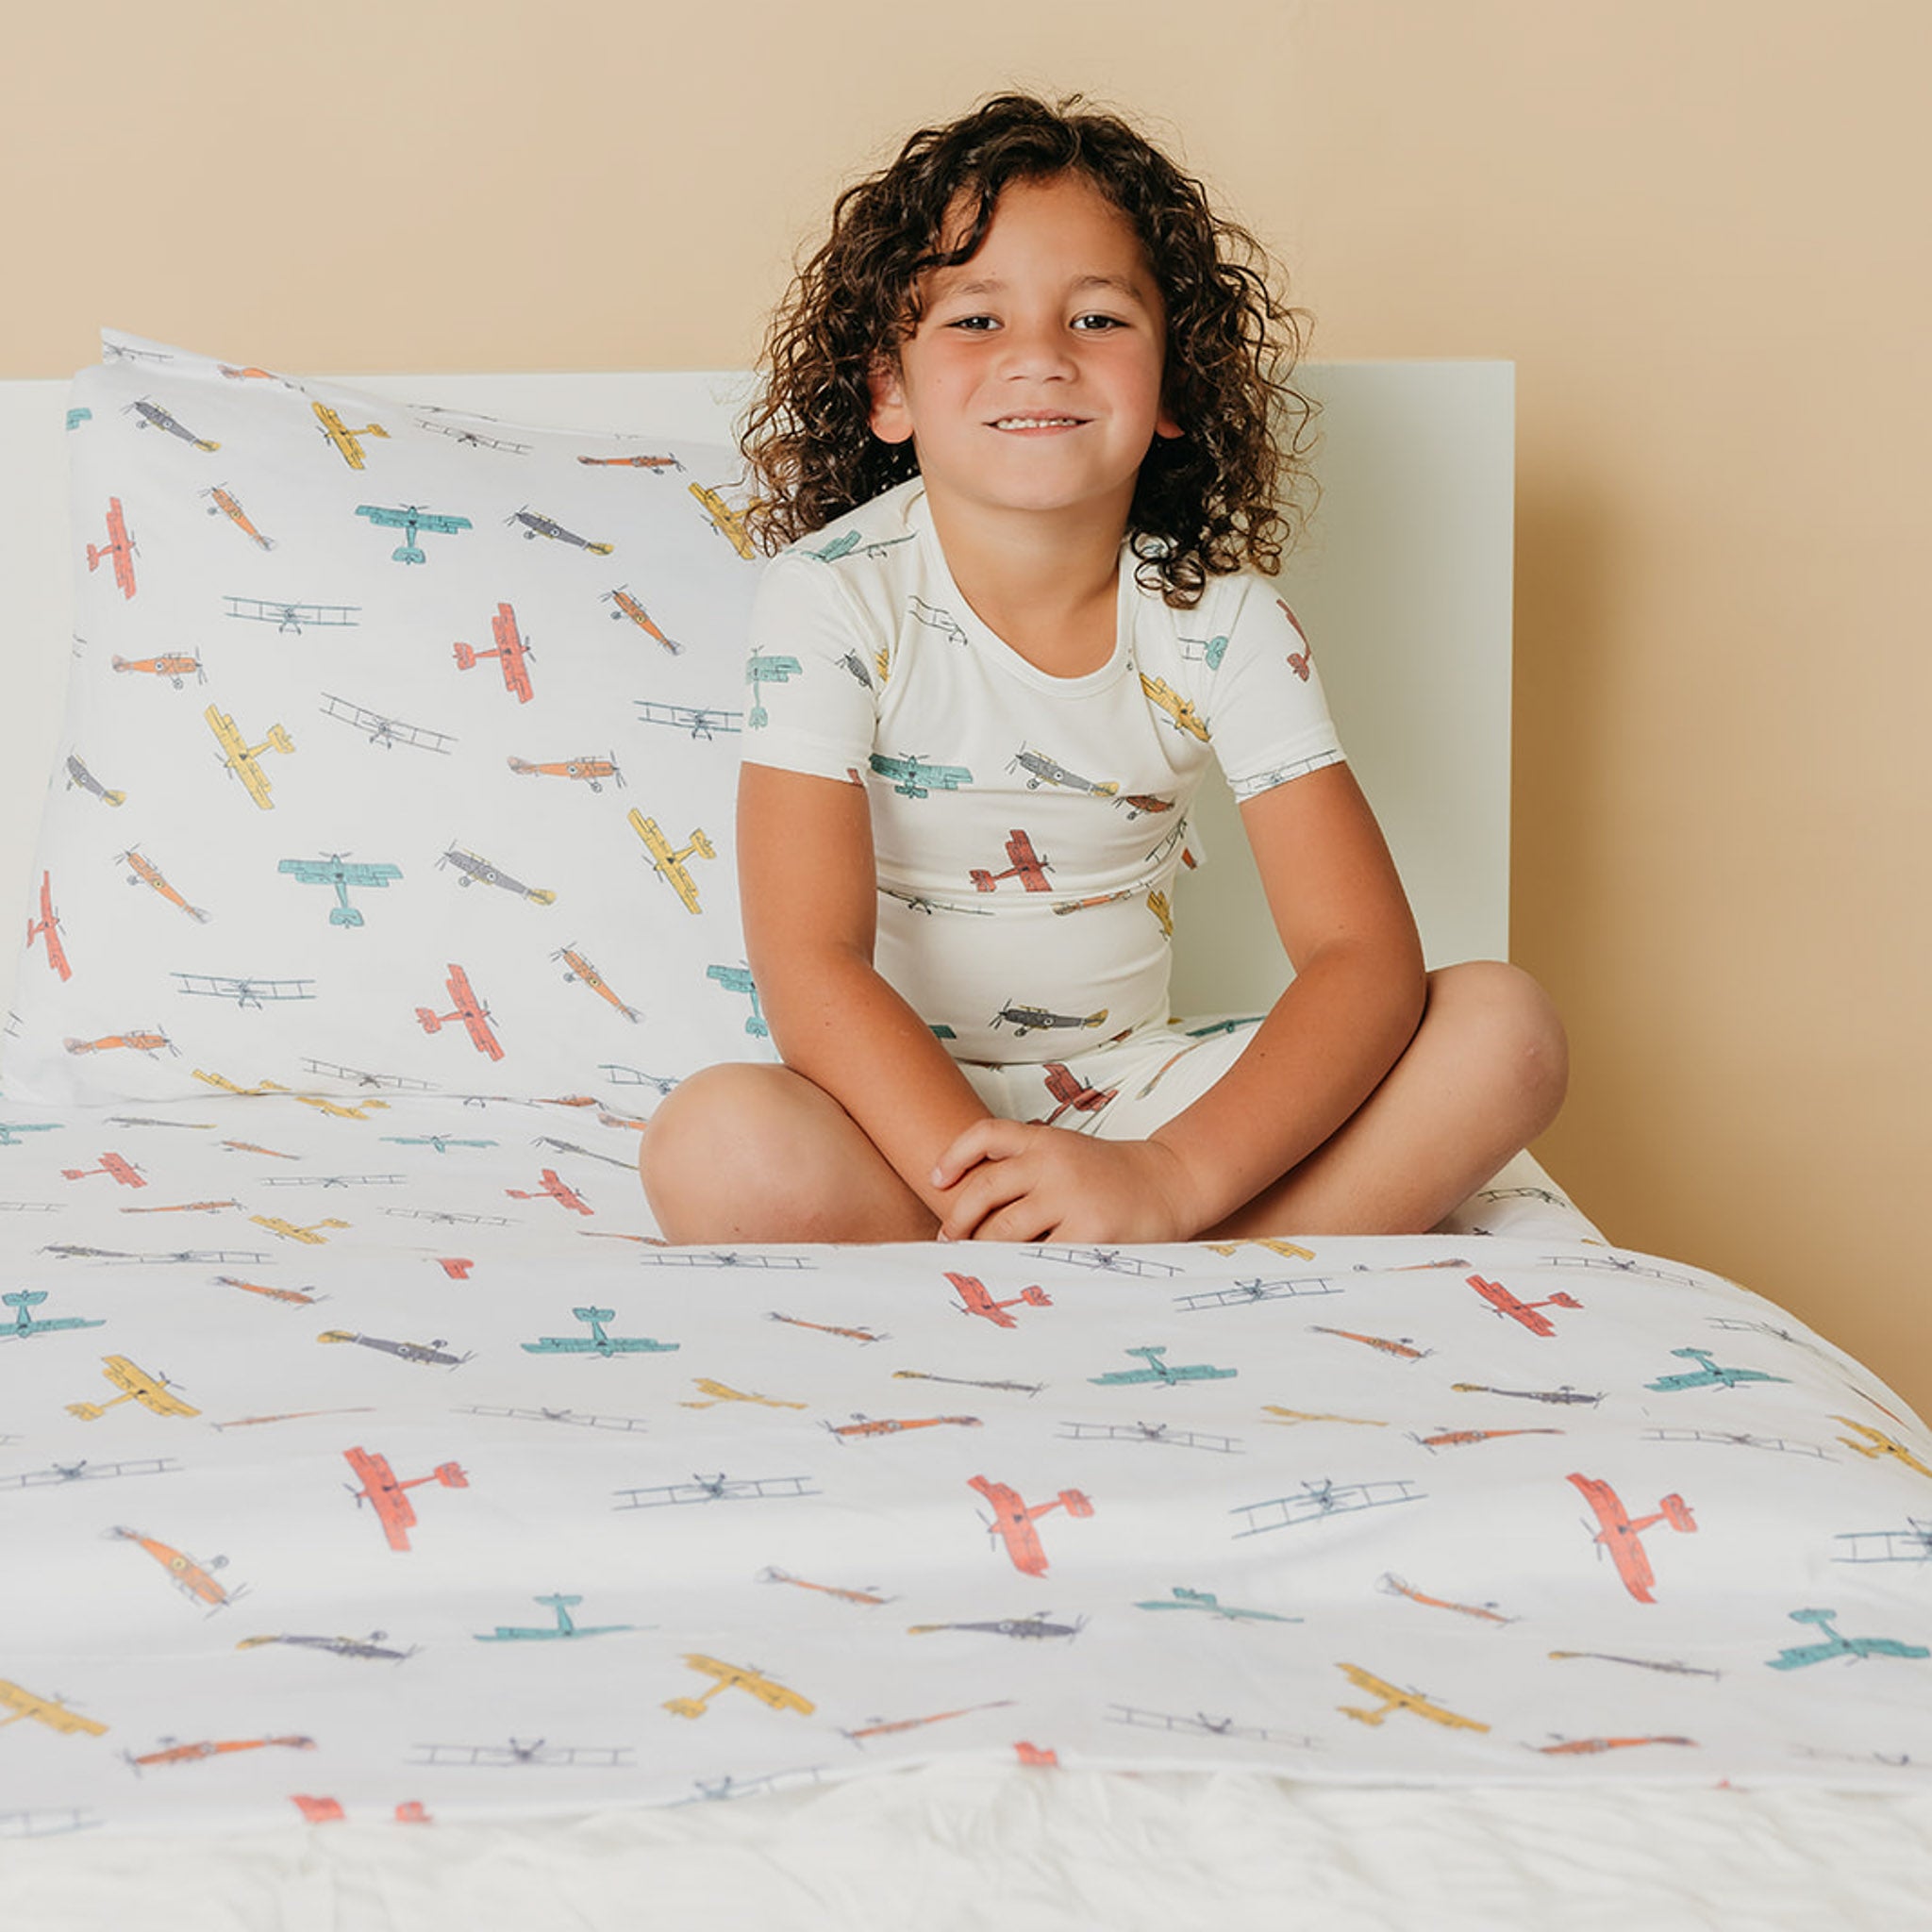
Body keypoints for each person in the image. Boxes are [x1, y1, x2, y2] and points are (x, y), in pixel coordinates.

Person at [641, 92, 1565, 1246]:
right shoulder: (829, 595)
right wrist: (994, 1185)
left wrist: (1166, 1175)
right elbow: (810, 964)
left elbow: (1362, 959)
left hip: (1137, 1102)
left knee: (1502, 1026)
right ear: (888, 388)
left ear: (1174, 383)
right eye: (975, 319)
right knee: (715, 1143)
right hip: (897, 1125)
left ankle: (1133, 1248)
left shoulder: (1221, 622)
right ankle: (1142, 1264)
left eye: (1095, 318)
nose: (1037, 357)